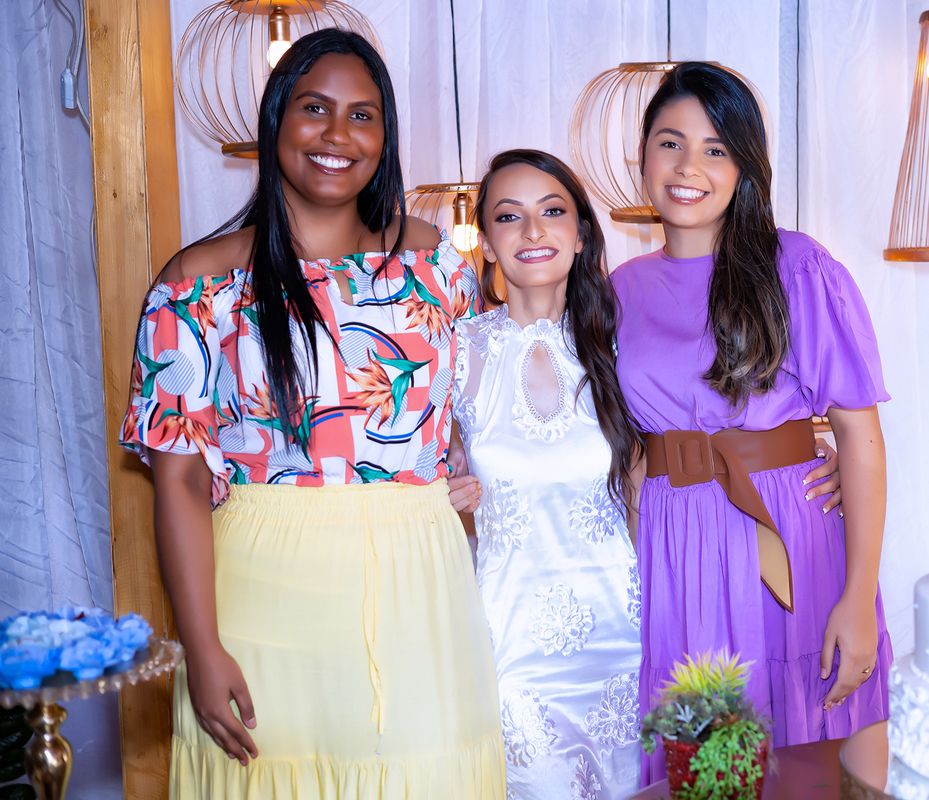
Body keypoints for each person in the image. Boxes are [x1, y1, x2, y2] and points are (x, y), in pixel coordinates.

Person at [119, 30, 504, 800]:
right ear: (276, 121)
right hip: (263, 596)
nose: (337, 135)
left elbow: (481, 409)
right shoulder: (197, 284)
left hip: (420, 591)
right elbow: (181, 482)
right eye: (314, 108)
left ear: (385, 138)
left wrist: (469, 473)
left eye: (362, 115)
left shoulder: (437, 265)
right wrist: (201, 647)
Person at [610, 62, 892, 785]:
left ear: (744, 168)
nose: (689, 167)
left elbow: (859, 434)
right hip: (673, 552)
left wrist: (859, 598)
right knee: (703, 770)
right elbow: (618, 447)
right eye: (670, 143)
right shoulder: (619, 292)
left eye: (715, 149)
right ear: (642, 156)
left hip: (788, 537)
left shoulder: (796, 266)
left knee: (818, 764)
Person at [446, 150, 643, 800]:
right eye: (509, 216)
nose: (533, 231)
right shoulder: (454, 350)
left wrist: (819, 457)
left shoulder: (626, 343)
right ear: (486, 241)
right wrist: (445, 499)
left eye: (552, 211)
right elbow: (413, 475)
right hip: (511, 647)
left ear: (581, 233)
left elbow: (695, 444)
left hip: (626, 639)